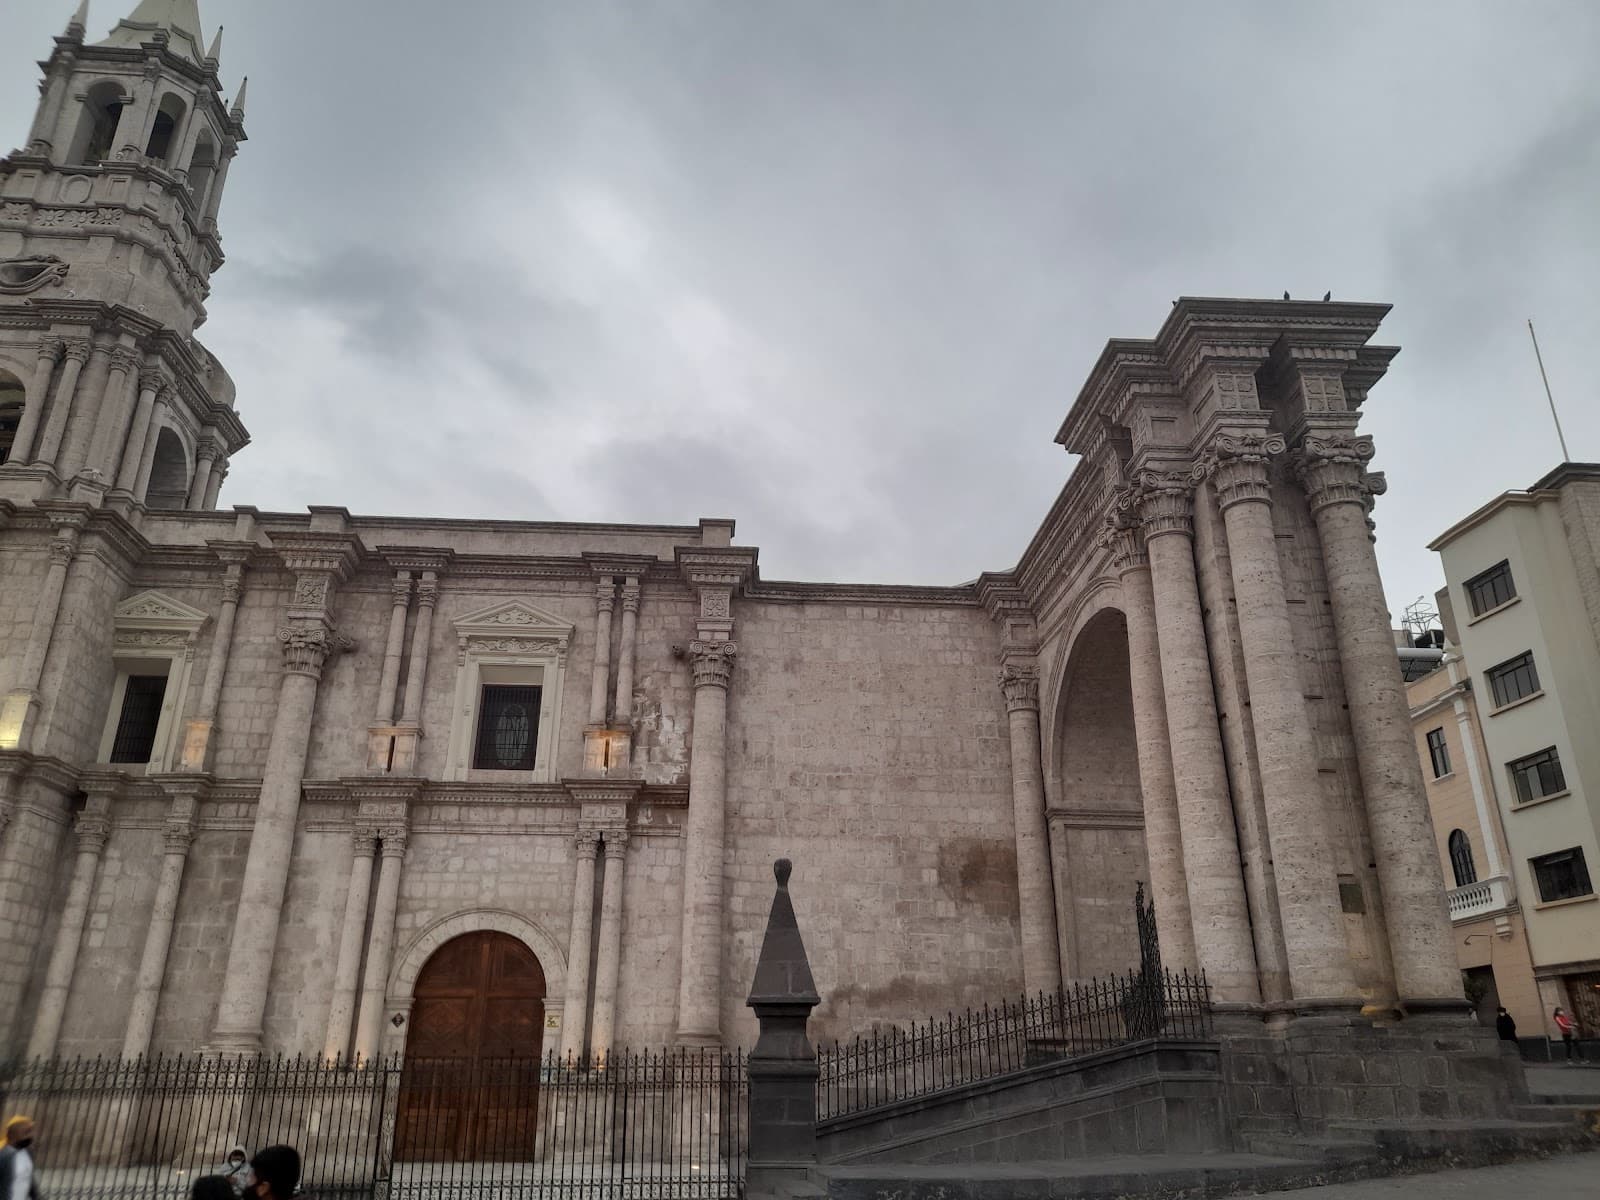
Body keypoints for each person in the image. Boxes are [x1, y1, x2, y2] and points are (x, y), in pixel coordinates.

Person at [0, 1115, 39, 1200]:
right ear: (12, 1135)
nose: (30, 1136)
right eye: (26, 1132)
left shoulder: (28, 1153)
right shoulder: (3, 1156)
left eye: (31, 1132)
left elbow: (29, 1179)